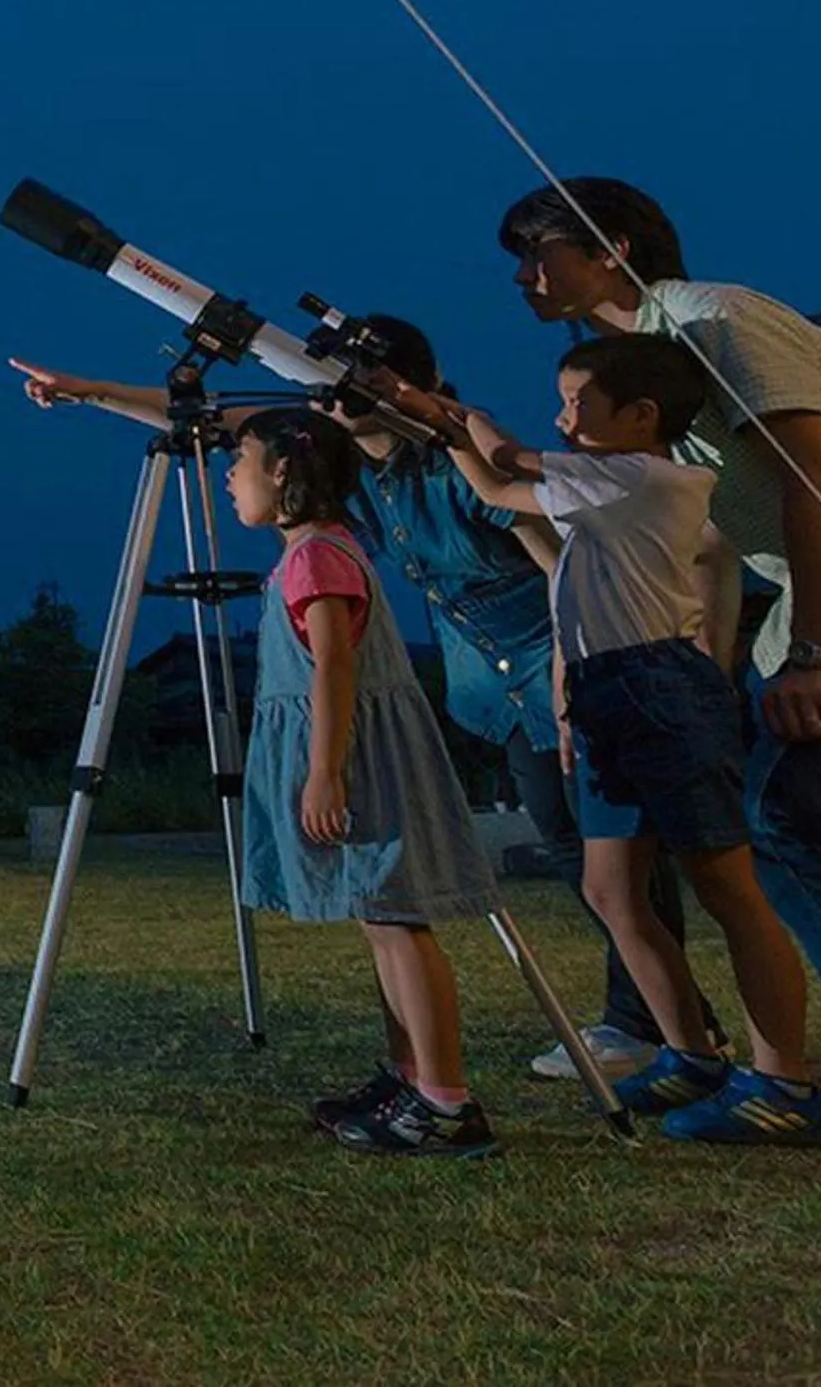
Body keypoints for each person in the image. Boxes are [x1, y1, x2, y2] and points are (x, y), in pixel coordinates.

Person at [12, 329, 719, 1081]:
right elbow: (218, 419)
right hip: (488, 680)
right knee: (575, 851)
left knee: (619, 864)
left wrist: (568, 672)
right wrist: (92, 391)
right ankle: (655, 1025)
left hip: (552, 663)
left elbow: (559, 568)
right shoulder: (346, 469)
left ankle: (659, 1029)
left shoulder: (451, 469)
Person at [498, 178, 821, 1100]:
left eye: (538, 251)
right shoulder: (649, 370)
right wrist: (715, 659)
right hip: (818, 579)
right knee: (770, 816)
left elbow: (816, 481)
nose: (523, 275)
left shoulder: (718, 320)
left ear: (611, 248)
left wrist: (817, 658)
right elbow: (709, 543)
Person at [397, 336, 821, 1144]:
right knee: (610, 890)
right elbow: (493, 485)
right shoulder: (604, 483)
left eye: (579, 404)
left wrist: (452, 414)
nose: (564, 419)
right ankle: (691, 1053)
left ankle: (786, 1083)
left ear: (641, 415)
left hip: (659, 686)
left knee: (727, 887)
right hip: (607, 687)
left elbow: (502, 462)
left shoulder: (640, 477)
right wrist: (445, 431)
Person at [224, 409, 504, 1157]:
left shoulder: (319, 556)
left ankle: (446, 1101)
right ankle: (410, 1076)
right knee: (381, 918)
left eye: (240, 461)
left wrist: (324, 771)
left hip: (358, 757)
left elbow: (334, 666)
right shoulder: (311, 552)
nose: (229, 478)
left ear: (283, 469)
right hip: (350, 752)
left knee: (397, 916)